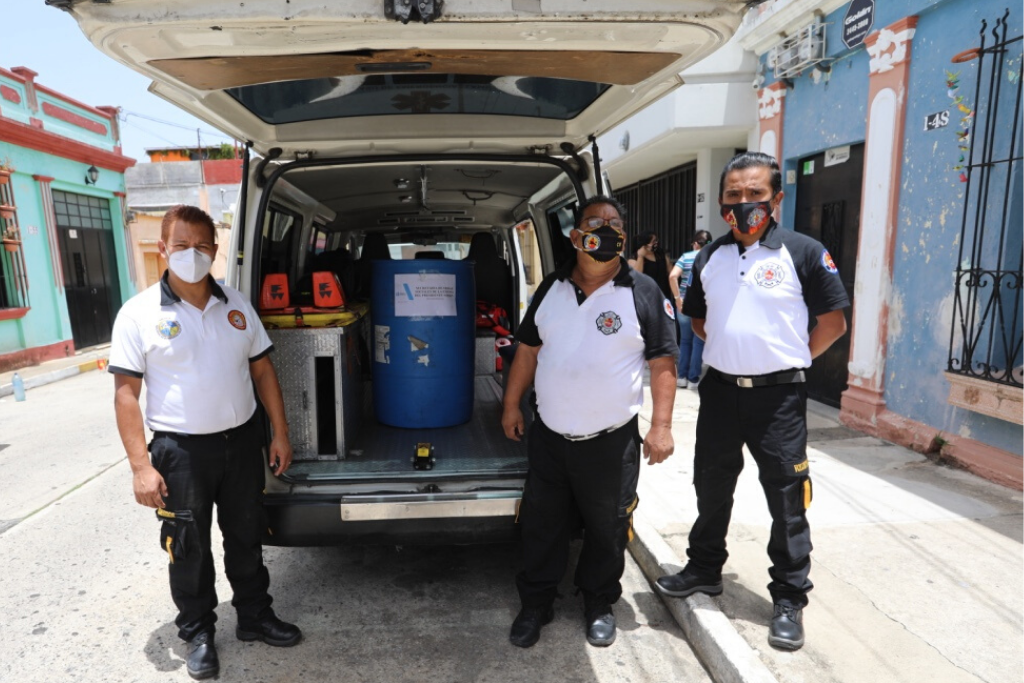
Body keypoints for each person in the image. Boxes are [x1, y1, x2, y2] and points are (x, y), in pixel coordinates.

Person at [654, 153, 849, 652]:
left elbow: (833, 323)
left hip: (779, 398)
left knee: (787, 500)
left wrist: (785, 359)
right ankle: (703, 569)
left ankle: (788, 598)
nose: (745, 205)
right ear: (722, 204)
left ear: (777, 199)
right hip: (720, 393)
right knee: (710, 486)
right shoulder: (708, 258)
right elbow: (698, 320)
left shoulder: (803, 252)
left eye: (755, 195)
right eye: (734, 196)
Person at [109, 205, 301, 680]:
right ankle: (198, 632)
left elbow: (262, 370)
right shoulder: (138, 314)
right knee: (188, 547)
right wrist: (140, 466)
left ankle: (255, 617)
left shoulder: (236, 304)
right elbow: (126, 394)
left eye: (201, 245)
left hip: (241, 443)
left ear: (215, 251)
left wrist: (279, 432)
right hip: (180, 453)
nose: (191, 254)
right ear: (162, 249)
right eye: (181, 245)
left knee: (246, 535)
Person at [501, 196, 679, 649]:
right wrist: (511, 405)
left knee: (607, 529)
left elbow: (663, 361)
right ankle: (537, 603)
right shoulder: (551, 288)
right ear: (576, 235)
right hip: (550, 437)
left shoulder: (643, 291)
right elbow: (527, 349)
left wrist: (661, 425)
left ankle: (599, 602)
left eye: (615, 223)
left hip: (610, 442)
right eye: (595, 222)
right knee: (542, 525)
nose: (606, 229)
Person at [669, 230, 712, 388]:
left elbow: (673, 276)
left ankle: (681, 376)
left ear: (695, 243)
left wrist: (677, 298)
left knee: (685, 341)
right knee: (699, 341)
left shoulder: (686, 257)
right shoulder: (711, 257)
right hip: (703, 305)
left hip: (684, 303)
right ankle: (693, 379)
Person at [627, 230, 679, 309]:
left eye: (656, 240)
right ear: (645, 243)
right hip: (646, 298)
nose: (656, 243)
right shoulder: (634, 258)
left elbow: (671, 272)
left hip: (663, 295)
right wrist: (641, 256)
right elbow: (637, 275)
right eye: (653, 241)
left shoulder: (661, 255)